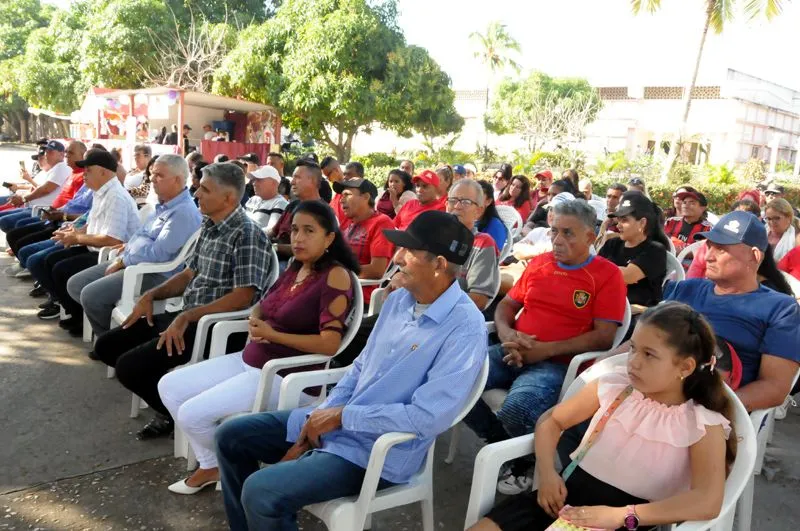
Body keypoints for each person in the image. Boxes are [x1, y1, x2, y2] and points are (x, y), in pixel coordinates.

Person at [214, 210, 487, 530]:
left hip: (377, 452)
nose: (397, 257)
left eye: (409, 251)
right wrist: (325, 414)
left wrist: (342, 417)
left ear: (439, 265)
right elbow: (360, 369)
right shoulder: (400, 300)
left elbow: (427, 417)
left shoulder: (465, 328)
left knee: (262, 492)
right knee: (229, 436)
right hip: (340, 423)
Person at [470, 302, 735, 531]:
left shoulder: (701, 423)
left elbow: (707, 501)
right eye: (633, 348)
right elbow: (552, 421)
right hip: (562, 501)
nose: (633, 362)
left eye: (649, 355)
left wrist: (622, 515)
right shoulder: (615, 386)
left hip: (626, 522)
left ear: (685, 367)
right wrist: (548, 473)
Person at [158, 201, 359, 495]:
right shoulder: (297, 267)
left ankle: (229, 468)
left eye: (309, 231)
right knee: (169, 386)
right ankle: (213, 463)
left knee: (191, 414)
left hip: (285, 375)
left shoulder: (335, 275)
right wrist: (256, 323)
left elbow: (330, 344)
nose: (298, 238)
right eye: (294, 231)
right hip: (252, 361)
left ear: (329, 238)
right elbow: (261, 307)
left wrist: (273, 335)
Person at [93, 162, 271, 440]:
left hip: (215, 327)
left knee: (129, 367)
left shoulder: (247, 234)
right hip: (187, 317)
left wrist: (188, 317)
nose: (197, 193)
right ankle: (176, 407)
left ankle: (183, 418)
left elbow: (243, 296)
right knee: (107, 345)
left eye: (205, 189)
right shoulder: (211, 227)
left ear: (229, 198)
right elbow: (189, 273)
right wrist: (151, 295)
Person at [464, 200, 626, 494]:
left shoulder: (606, 275)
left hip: (558, 363)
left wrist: (544, 350)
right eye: (554, 232)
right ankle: (508, 448)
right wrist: (506, 333)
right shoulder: (540, 264)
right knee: (452, 380)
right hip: (513, 348)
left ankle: (519, 457)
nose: (558, 240)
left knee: (518, 410)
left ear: (591, 237)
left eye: (568, 233)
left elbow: (604, 337)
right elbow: (508, 305)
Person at [662, 210, 800, 411]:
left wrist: (701, 408)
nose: (708, 256)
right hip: (654, 389)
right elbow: (642, 342)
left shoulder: (781, 310)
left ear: (754, 256)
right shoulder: (685, 289)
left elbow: (774, 388)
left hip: (710, 409)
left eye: (720, 249)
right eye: (709, 246)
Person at [66, 154, 203, 339]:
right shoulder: (165, 205)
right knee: (75, 285)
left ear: (177, 179)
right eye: (152, 174)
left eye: (159, 175)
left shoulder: (183, 213)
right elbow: (142, 236)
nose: (152, 179)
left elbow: (159, 254)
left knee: (90, 296)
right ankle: (114, 336)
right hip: (132, 261)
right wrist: (128, 247)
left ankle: (113, 341)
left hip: (153, 274)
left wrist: (124, 261)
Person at [31, 149, 140, 325]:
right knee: (50, 260)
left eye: (88, 170)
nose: (84, 174)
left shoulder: (116, 196)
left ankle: (79, 319)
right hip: (95, 247)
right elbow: (92, 224)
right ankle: (70, 309)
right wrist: (74, 234)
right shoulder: (101, 191)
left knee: (61, 268)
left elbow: (113, 240)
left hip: (108, 255)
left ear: (103, 172)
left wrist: (77, 239)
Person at [599, 191, 668, 318]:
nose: (618, 225)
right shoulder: (612, 244)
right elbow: (592, 271)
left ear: (642, 223)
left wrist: (601, 269)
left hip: (637, 314)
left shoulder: (655, 250)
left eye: (624, 220)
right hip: (606, 305)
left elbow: (627, 276)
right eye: (618, 219)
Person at [335, 178, 395, 302]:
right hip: (334, 287)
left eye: (347, 195)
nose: (341, 200)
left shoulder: (381, 222)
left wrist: (336, 273)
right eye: (341, 195)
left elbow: (377, 270)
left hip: (357, 294)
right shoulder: (347, 221)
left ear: (366, 197)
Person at [447, 179, 501, 310]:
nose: (457, 206)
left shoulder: (482, 243)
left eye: (465, 202)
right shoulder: (433, 235)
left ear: (479, 210)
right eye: (453, 200)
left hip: (454, 319)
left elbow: (478, 300)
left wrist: (435, 305)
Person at [687, 199, 760, 280]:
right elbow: (695, 268)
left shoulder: (760, 246)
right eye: (736, 216)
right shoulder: (709, 243)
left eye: (745, 218)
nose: (709, 257)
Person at [269, 160, 324, 264]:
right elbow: (272, 232)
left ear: (312, 181)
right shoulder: (291, 206)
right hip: (273, 259)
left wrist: (274, 247)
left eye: (297, 177)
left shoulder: (322, 212)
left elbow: (309, 248)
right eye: (293, 177)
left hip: (297, 265)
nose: (292, 182)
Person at [0, 141, 71, 215]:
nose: (47, 155)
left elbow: (45, 189)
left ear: (62, 154)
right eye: (46, 152)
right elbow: (38, 188)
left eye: (50, 152)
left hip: (41, 210)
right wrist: (19, 189)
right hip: (32, 206)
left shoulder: (61, 167)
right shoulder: (51, 170)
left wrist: (23, 198)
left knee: (4, 220)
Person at [664, 188, 712, 253]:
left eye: (692, 203)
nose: (686, 206)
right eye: (684, 202)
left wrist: (679, 249)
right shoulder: (671, 222)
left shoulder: (707, 229)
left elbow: (704, 252)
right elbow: (661, 241)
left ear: (702, 208)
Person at [243, 165, 288, 232]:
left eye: (259, 180)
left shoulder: (280, 203)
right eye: (254, 180)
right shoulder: (252, 200)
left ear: (274, 183)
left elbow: (271, 231)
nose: (254, 183)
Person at [594, 183, 628, 251]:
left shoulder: (627, 221)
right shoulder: (597, 212)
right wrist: (603, 226)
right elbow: (596, 247)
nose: (610, 200)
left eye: (615, 197)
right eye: (609, 196)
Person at [764, 197, 800, 262]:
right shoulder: (762, 232)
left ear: (788, 218)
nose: (772, 222)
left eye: (776, 218)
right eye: (769, 219)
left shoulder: (796, 239)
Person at [476, 180, 507, 251]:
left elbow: (491, 256)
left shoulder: (495, 226)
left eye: (478, 196)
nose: (472, 199)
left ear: (488, 201)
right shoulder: (465, 219)